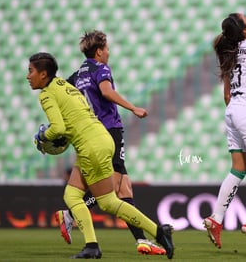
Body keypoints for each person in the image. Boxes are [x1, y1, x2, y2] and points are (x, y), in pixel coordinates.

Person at [27, 52, 174, 259]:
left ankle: (93, 245)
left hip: (90, 146)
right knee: (98, 199)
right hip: (102, 138)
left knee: (88, 199)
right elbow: (73, 121)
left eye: (30, 71)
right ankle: (158, 232)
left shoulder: (46, 94)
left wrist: (42, 135)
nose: (27, 76)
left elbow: (58, 128)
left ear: (43, 74)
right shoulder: (65, 86)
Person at [54, 30, 166, 255]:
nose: (108, 53)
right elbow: (106, 91)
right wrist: (133, 107)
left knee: (124, 187)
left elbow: (61, 93)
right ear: (98, 51)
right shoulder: (101, 68)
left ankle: (142, 240)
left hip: (90, 135)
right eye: (106, 49)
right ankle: (70, 215)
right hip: (109, 133)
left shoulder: (78, 74)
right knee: (113, 191)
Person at [203, 13, 246, 248]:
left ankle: (216, 218)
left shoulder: (229, 53)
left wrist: (237, 115)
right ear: (245, 30)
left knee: (238, 169)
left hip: (232, 110)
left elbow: (226, 94)